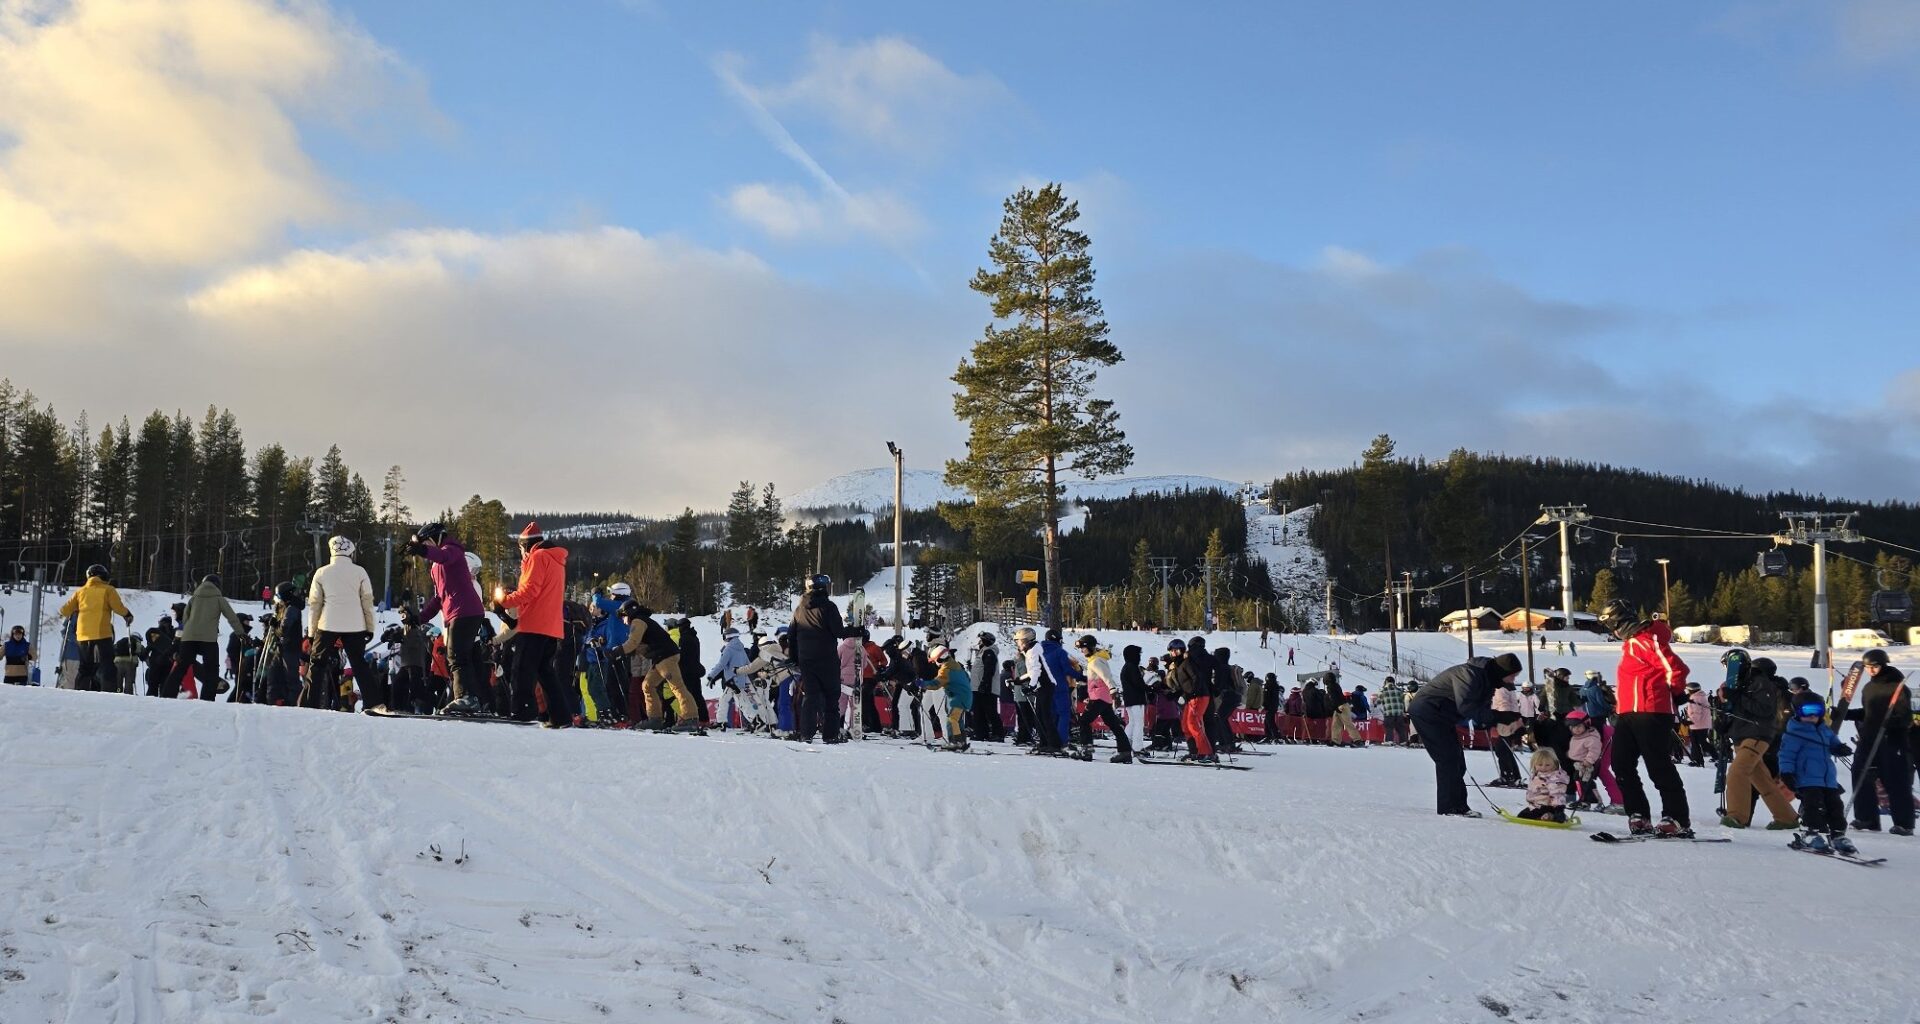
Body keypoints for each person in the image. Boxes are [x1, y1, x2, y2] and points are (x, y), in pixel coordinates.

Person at [1598, 600, 1693, 837]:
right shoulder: (1632, 644)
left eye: (1613, 626)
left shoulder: (1646, 640)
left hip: (1653, 710)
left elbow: (1676, 668)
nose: (1614, 632)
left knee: (1657, 764)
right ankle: (1638, 813)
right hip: (1628, 712)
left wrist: (1676, 692)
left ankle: (1677, 817)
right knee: (1621, 763)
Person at [1409, 653, 1518, 817]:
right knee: (1448, 759)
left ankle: (1459, 806)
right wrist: (1498, 716)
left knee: (1458, 762)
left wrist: (1491, 722)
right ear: (1503, 672)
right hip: (1427, 712)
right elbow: (1466, 707)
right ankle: (1449, 807)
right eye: (1512, 676)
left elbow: (1483, 707)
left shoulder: (1488, 680)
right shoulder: (1468, 675)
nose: (1513, 681)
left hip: (1443, 716)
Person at [491, 523, 574, 727]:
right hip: (552, 626)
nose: (521, 553)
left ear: (526, 545)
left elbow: (530, 590)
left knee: (522, 672)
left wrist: (504, 601)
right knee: (546, 674)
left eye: (521, 549)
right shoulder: (556, 560)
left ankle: (522, 714)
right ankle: (561, 717)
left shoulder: (538, 557)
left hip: (534, 625)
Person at [407, 523, 491, 715]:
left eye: (427, 542)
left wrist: (422, 550)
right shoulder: (435, 568)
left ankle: (465, 698)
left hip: (465, 610)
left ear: (435, 538)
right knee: (461, 656)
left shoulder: (452, 550)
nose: (427, 546)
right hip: (457, 612)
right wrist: (419, 618)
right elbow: (439, 598)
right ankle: (472, 699)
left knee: (456, 655)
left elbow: (443, 556)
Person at [1715, 652, 1798, 830]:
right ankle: (1787, 817)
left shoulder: (1759, 682)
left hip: (1757, 735)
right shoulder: (1738, 685)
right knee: (1762, 781)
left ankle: (1737, 816)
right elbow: (1734, 712)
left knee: (1737, 772)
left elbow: (1764, 710)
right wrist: (1722, 724)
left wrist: (1738, 697)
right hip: (1740, 736)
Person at [1778, 692, 1859, 856]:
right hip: (1807, 779)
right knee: (1813, 807)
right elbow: (1786, 755)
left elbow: (1833, 744)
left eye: (1817, 711)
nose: (1813, 715)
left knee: (1835, 807)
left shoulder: (1825, 730)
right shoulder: (1793, 734)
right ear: (1797, 712)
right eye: (1807, 711)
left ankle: (1838, 836)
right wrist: (1787, 773)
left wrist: (1839, 749)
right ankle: (1810, 833)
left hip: (1828, 779)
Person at [1846, 649, 1913, 836]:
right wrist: (1847, 714)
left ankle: (1904, 823)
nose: (1871, 670)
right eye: (1868, 667)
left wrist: (1893, 722)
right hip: (1869, 739)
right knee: (1860, 773)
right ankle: (1867, 818)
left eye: (1874, 666)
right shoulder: (1869, 688)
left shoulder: (1897, 686)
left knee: (1894, 780)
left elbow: (1906, 717)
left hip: (1891, 741)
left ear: (1883, 665)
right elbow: (1868, 714)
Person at [309, 536, 379, 711]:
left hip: (327, 623)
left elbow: (315, 604)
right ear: (350, 552)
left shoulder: (321, 572)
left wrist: (312, 632)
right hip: (355, 625)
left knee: (317, 664)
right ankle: (374, 703)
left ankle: (309, 703)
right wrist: (369, 628)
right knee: (359, 664)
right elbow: (367, 601)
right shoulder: (360, 572)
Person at [789, 573, 861, 743]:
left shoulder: (799, 610)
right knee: (831, 698)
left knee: (810, 697)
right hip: (827, 659)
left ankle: (806, 734)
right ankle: (830, 735)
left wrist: (795, 658)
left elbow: (791, 636)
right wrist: (856, 631)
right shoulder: (829, 607)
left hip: (807, 660)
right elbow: (838, 632)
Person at [161, 573, 248, 701]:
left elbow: (185, 617)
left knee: (181, 667)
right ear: (217, 585)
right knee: (211, 671)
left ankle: (167, 695)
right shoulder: (219, 598)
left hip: (189, 638)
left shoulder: (194, 598)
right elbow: (232, 617)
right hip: (208, 640)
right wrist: (241, 633)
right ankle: (207, 699)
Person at [618, 603, 702, 732]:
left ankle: (690, 718)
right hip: (660, 657)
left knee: (677, 686)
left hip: (666, 656)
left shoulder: (638, 620)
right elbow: (642, 645)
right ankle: (655, 718)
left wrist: (617, 651)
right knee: (647, 685)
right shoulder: (643, 620)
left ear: (629, 612)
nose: (623, 621)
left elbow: (633, 642)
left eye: (623, 617)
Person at [57, 564, 134, 693]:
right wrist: (127, 614)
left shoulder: (80, 592)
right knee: (107, 665)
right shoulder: (108, 590)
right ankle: (109, 691)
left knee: (85, 667)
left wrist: (76, 609)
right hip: (102, 633)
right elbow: (117, 607)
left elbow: (64, 610)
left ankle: (81, 690)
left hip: (82, 635)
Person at [1073, 635, 1133, 763]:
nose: (1082, 651)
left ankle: (1086, 750)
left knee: (1084, 721)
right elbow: (1097, 678)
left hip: (1099, 697)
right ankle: (1125, 752)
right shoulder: (1095, 660)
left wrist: (1113, 691)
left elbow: (1107, 677)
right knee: (1114, 724)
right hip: (1102, 697)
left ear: (1089, 647)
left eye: (1083, 648)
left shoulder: (1096, 661)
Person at [1165, 639, 1214, 764]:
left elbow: (1196, 678)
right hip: (1190, 697)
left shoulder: (1187, 663)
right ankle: (1195, 751)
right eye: (1171, 651)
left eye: (1175, 651)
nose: (1173, 653)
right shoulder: (1178, 666)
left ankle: (1206, 753)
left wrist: (1191, 693)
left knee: (1193, 724)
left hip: (1199, 696)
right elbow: (1182, 685)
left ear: (1180, 651)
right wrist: (1174, 694)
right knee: (1185, 726)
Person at [709, 626, 757, 731]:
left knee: (731, 701)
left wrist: (711, 676)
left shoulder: (729, 649)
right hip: (740, 679)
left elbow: (721, 665)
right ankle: (754, 720)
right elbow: (748, 664)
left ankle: (722, 722)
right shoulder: (741, 649)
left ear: (728, 636)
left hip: (732, 681)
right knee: (737, 701)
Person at [931, 645, 972, 751]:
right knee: (957, 720)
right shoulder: (956, 666)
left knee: (952, 719)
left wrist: (922, 683)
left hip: (957, 697)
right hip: (961, 697)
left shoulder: (948, 668)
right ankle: (962, 741)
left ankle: (956, 742)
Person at [1517, 748, 1570, 823]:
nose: (1543, 767)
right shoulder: (1537, 775)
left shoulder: (1554, 778)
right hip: (1536, 805)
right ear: (1534, 765)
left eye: (1547, 765)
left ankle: (1553, 815)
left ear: (1554, 764)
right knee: (1522, 815)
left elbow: (1557, 794)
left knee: (1525, 816)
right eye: (1540, 764)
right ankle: (1547, 816)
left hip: (1547, 806)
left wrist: (1559, 810)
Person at [1566, 710, 1604, 809]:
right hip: (1578, 764)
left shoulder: (1591, 737)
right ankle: (1583, 800)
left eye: (1579, 726)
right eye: (1573, 727)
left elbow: (1594, 750)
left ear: (1586, 724)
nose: (1576, 729)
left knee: (1587, 783)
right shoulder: (1577, 736)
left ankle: (1596, 802)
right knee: (1578, 782)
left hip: (1587, 765)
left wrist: (1589, 761)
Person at [1120, 646, 1151, 756]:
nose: (1139, 657)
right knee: (1139, 723)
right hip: (1136, 699)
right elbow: (1138, 683)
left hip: (1129, 699)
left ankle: (1125, 744)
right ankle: (1138, 747)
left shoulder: (1126, 667)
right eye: (1138, 654)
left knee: (1132, 722)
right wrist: (1150, 688)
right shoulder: (1132, 667)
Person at [1682, 682, 1713, 767]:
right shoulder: (1701, 697)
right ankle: (1698, 760)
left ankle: (1698, 760)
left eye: (1688, 690)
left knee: (1697, 743)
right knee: (1698, 742)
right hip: (1701, 724)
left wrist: (1689, 721)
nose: (1687, 692)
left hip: (1698, 725)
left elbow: (1696, 713)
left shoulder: (1695, 698)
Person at [1376, 674, 1408, 746]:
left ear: (1386, 682)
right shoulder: (1399, 691)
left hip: (1389, 713)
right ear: (1394, 682)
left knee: (1389, 727)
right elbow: (1404, 700)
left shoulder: (1382, 691)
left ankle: (1389, 741)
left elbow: (1378, 703)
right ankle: (1403, 741)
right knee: (1400, 728)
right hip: (1399, 712)